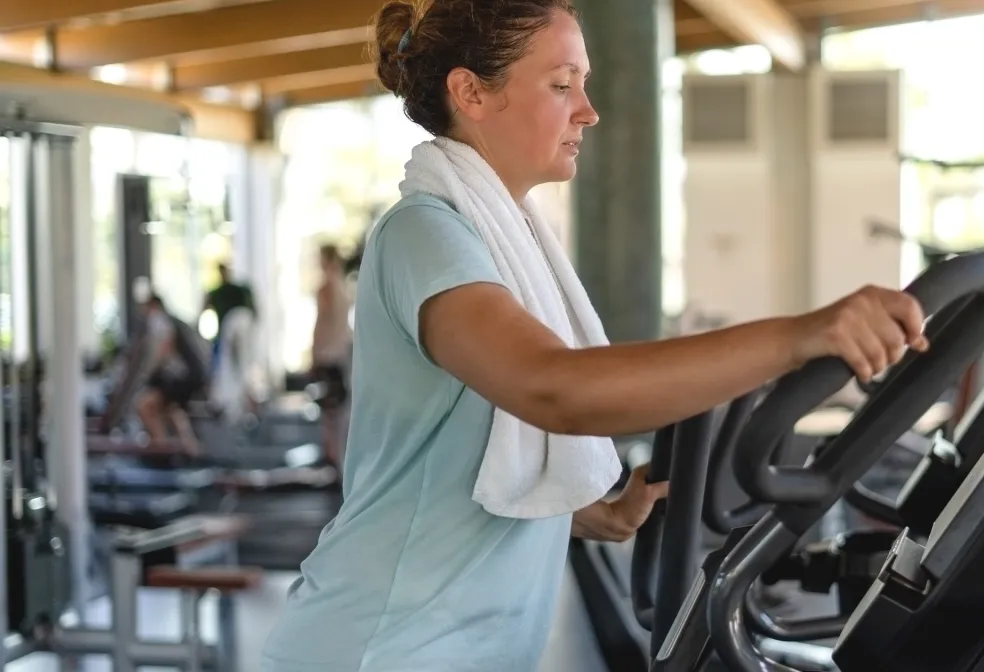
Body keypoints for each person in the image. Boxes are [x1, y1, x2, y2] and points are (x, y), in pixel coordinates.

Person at [259, 2, 928, 671]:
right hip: (378, 648)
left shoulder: (507, 237)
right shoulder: (425, 233)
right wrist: (801, 336)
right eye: (561, 84)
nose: (588, 110)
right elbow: (553, 388)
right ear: (470, 92)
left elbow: (455, 454)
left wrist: (582, 511)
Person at [133, 295, 209, 456]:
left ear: (152, 305)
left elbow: (165, 348)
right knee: (171, 408)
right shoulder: (174, 320)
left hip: (183, 377)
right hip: (194, 376)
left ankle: (161, 448)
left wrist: (150, 373)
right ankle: (192, 450)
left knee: (144, 406)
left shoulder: (159, 319)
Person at [310, 243, 354, 469]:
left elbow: (321, 324)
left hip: (328, 353)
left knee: (330, 409)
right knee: (339, 408)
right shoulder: (344, 288)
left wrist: (314, 352)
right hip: (342, 351)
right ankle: (337, 455)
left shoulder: (326, 288)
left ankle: (333, 455)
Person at [204, 262, 255, 372]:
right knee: (236, 359)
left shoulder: (238, 289)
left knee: (238, 358)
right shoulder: (216, 292)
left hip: (237, 325)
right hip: (234, 327)